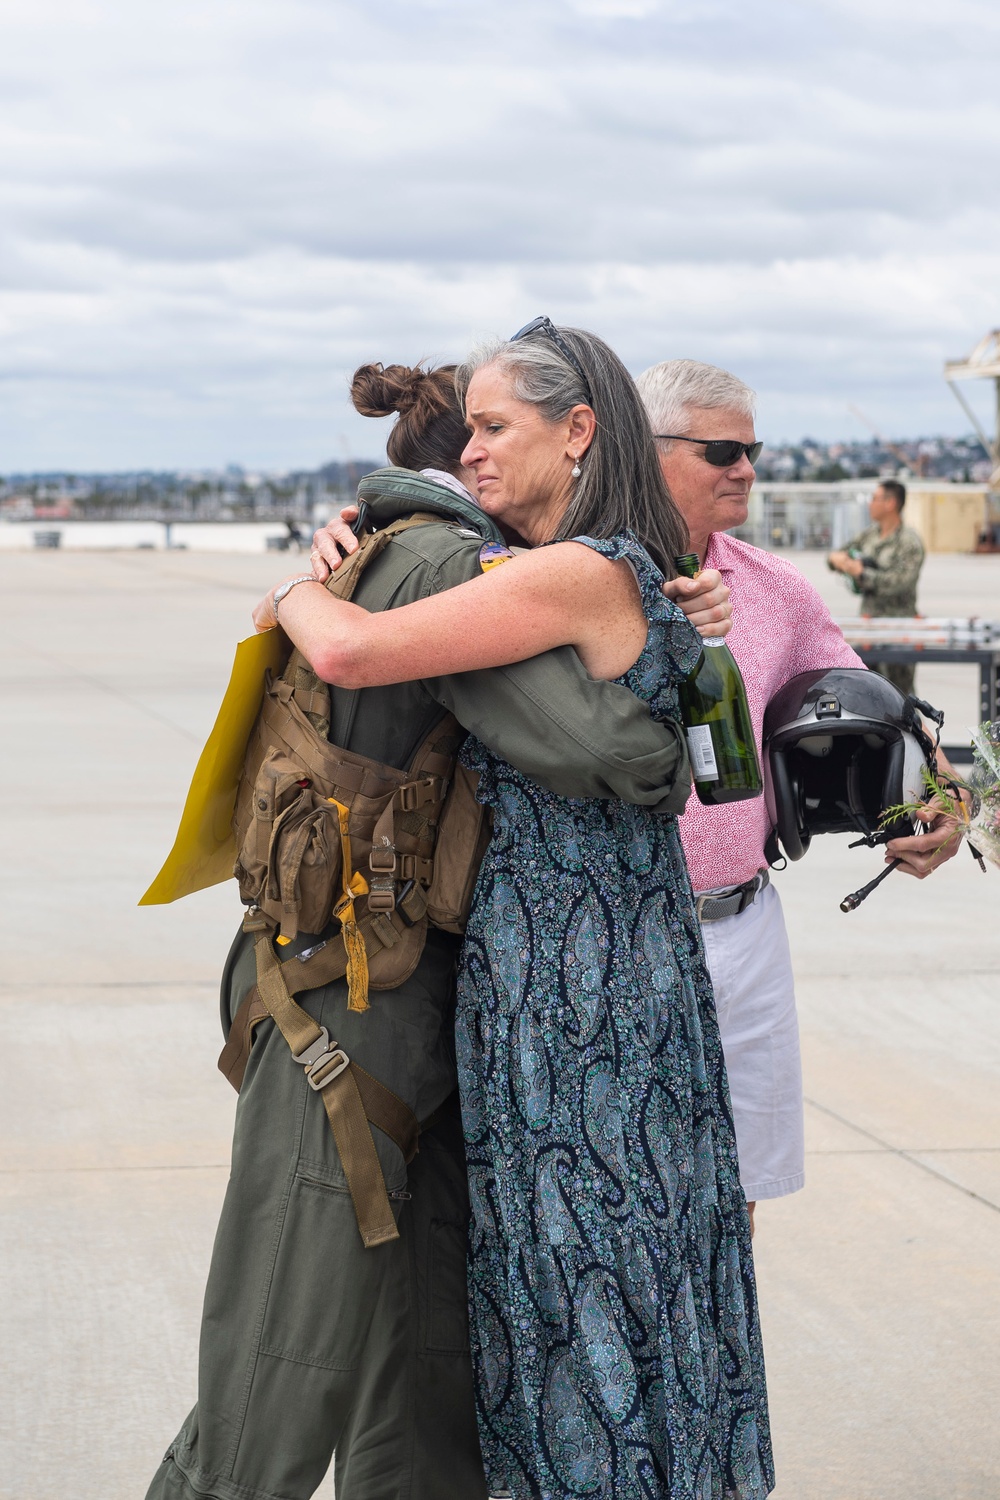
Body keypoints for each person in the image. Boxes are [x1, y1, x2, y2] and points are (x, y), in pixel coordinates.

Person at [146, 359, 739, 1500]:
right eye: (477, 431)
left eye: (493, 429)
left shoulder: (383, 546)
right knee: (290, 1351)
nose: (484, 452)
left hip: (369, 991)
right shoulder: (434, 563)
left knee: (400, 1358)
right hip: (362, 1009)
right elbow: (612, 753)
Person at [635, 362, 959, 1229]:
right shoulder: (567, 575)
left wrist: (945, 806)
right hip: (622, 935)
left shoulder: (777, 588)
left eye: (754, 449)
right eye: (723, 450)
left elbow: (883, 711)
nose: (747, 468)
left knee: (732, 1205)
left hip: (745, 926)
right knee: (626, 1207)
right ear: (646, 447)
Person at [827, 479, 926, 695]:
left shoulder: (909, 542)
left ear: (890, 503)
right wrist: (839, 560)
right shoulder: (870, 535)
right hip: (869, 627)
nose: (871, 504)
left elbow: (899, 583)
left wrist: (861, 573)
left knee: (901, 696)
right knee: (868, 693)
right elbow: (837, 555)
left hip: (899, 628)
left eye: (875, 499)